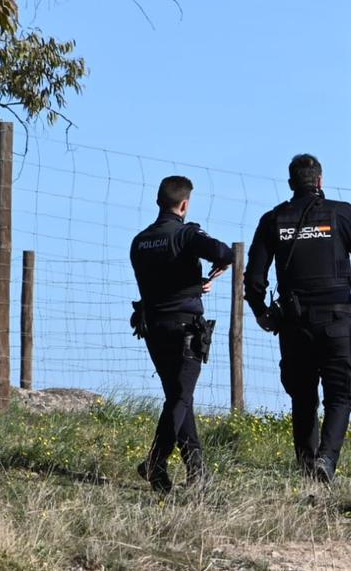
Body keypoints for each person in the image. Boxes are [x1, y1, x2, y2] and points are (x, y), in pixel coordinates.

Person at [245, 154, 351, 483]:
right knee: (340, 394)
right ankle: (327, 459)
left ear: (292, 183)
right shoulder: (341, 214)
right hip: (338, 319)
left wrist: (261, 313)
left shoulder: (274, 219)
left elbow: (254, 278)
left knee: (303, 395)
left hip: (294, 323)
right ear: (320, 181)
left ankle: (308, 468)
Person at [130, 175, 233, 493]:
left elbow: (158, 280)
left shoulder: (140, 240)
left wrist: (193, 282)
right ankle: (154, 463)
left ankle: (197, 471)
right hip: (185, 327)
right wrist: (214, 272)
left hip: (152, 326)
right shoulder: (186, 234)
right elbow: (224, 252)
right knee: (180, 396)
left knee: (178, 396)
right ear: (185, 204)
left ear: (158, 200)